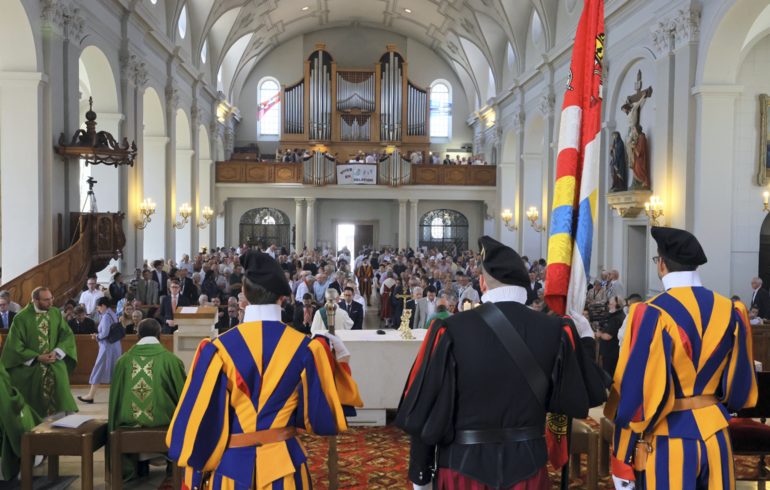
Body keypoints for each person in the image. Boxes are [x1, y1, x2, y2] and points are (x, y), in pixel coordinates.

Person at [396, 236, 607, 490]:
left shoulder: (449, 329)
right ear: (525, 284)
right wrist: (584, 337)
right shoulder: (557, 330)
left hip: (462, 469)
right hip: (528, 468)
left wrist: (421, 474)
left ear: (482, 283)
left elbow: (425, 405)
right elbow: (588, 393)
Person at [167, 249, 358, 490]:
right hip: (286, 470)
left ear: (243, 293)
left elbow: (197, 423)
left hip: (230, 471)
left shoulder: (215, 350)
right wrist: (341, 362)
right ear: (284, 297)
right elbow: (323, 419)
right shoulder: (308, 350)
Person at [606, 227, 758, 490]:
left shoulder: (650, 313)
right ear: (697, 265)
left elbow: (634, 393)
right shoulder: (733, 310)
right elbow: (740, 387)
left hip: (667, 439)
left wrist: (621, 455)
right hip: (716, 437)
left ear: (661, 264)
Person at [108, 318, 187, 481]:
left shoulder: (122, 361)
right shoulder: (171, 360)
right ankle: (172, 464)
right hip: (162, 421)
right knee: (175, 417)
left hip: (128, 422)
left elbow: (116, 397)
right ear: (159, 334)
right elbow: (183, 396)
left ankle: (140, 464)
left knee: (135, 417)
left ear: (137, 335)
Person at [1, 287, 79, 418]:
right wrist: (37, 357)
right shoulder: (21, 317)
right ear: (35, 301)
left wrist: (56, 351)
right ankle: (36, 424)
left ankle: (63, 423)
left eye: (51, 298)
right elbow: (14, 346)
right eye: (46, 300)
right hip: (31, 365)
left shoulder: (54, 313)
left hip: (54, 361)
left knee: (60, 381)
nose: (51, 303)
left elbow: (66, 335)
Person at [78, 296, 123, 403]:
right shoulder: (111, 313)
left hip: (107, 347)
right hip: (114, 345)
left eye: (98, 307)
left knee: (98, 368)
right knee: (114, 370)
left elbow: (105, 333)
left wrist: (96, 336)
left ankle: (90, 395)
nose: (98, 309)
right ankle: (118, 396)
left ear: (103, 306)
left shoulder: (106, 316)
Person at [598, 296, 625, 378]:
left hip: (611, 353)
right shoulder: (622, 316)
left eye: (611, 304)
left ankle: (610, 390)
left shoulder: (615, 319)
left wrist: (599, 334)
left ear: (618, 307)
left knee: (609, 375)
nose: (609, 306)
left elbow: (607, 336)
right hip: (615, 351)